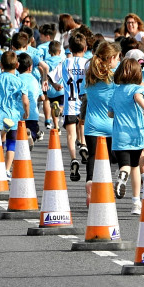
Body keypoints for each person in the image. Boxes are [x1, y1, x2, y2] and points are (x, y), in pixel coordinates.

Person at [109, 58, 144, 215]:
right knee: (135, 167)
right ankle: (135, 203)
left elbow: (110, 113)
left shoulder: (116, 91)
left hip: (119, 136)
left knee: (124, 165)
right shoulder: (137, 90)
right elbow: (141, 101)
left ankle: (121, 177)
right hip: (136, 135)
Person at [82, 41, 121, 205]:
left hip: (92, 125)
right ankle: (105, 190)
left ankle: (90, 182)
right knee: (112, 161)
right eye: (118, 58)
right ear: (111, 58)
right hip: (111, 125)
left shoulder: (90, 73)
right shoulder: (115, 77)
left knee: (93, 157)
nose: (118, 61)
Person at [52, 32, 89, 181]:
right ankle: (84, 146)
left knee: (70, 135)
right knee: (83, 127)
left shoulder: (65, 62)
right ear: (85, 48)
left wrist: (56, 85)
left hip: (69, 104)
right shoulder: (88, 63)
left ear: (70, 48)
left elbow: (52, 76)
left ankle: (73, 159)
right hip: (84, 102)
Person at [17, 53, 44, 146]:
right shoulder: (34, 80)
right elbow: (42, 97)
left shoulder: (16, 79)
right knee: (34, 130)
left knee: (18, 138)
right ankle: (30, 134)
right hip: (33, 114)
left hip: (19, 114)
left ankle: (26, 134)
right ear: (30, 67)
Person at [40, 39, 65, 130]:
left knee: (54, 107)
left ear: (49, 51)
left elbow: (43, 71)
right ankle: (61, 110)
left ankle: (56, 126)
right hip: (61, 88)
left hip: (50, 90)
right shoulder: (63, 60)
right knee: (61, 106)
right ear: (60, 51)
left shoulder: (46, 62)